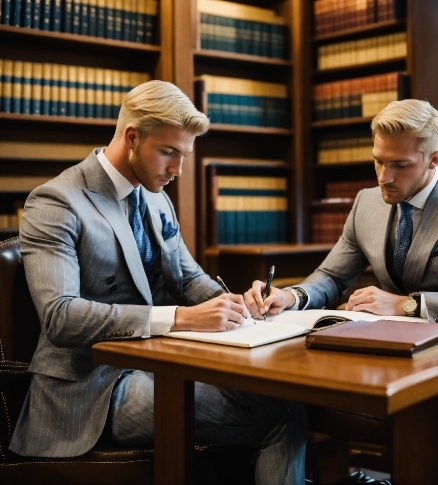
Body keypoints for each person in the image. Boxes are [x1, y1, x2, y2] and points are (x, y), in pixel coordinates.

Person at [10, 80, 306, 485]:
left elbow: (188, 277)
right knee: (278, 417)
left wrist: (238, 303)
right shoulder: (57, 201)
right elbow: (61, 317)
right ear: (132, 137)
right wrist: (182, 318)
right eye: (168, 152)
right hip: (91, 388)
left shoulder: (154, 195)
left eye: (183, 155)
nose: (178, 170)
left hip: (163, 364)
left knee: (287, 401)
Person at [244, 99, 438, 484]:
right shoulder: (367, 203)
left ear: (433, 159)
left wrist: (408, 304)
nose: (384, 176)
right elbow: (331, 276)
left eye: (400, 165)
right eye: (378, 160)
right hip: (385, 356)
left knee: (435, 411)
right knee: (285, 392)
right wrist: (290, 296)